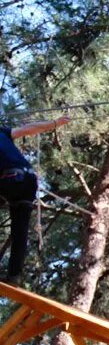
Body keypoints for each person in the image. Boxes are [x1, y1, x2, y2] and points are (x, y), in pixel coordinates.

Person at [0, 116, 70, 284]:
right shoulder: (2, 132)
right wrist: (53, 124)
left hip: (11, 178)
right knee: (20, 231)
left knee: (19, 230)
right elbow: (27, 129)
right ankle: (13, 276)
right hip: (28, 182)